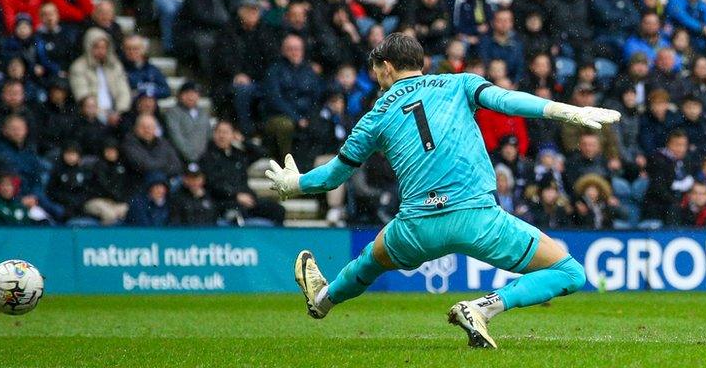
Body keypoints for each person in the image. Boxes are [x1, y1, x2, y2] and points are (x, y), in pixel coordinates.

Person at [265, 33, 620, 348]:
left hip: (417, 229)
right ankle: (482, 308)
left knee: (370, 262)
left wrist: (294, 183)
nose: (377, 78)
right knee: (570, 273)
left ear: (386, 66)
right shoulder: (458, 84)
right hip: (477, 220)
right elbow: (508, 102)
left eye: (376, 70)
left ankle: (323, 300)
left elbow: (331, 177)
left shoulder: (374, 116)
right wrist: (566, 111)